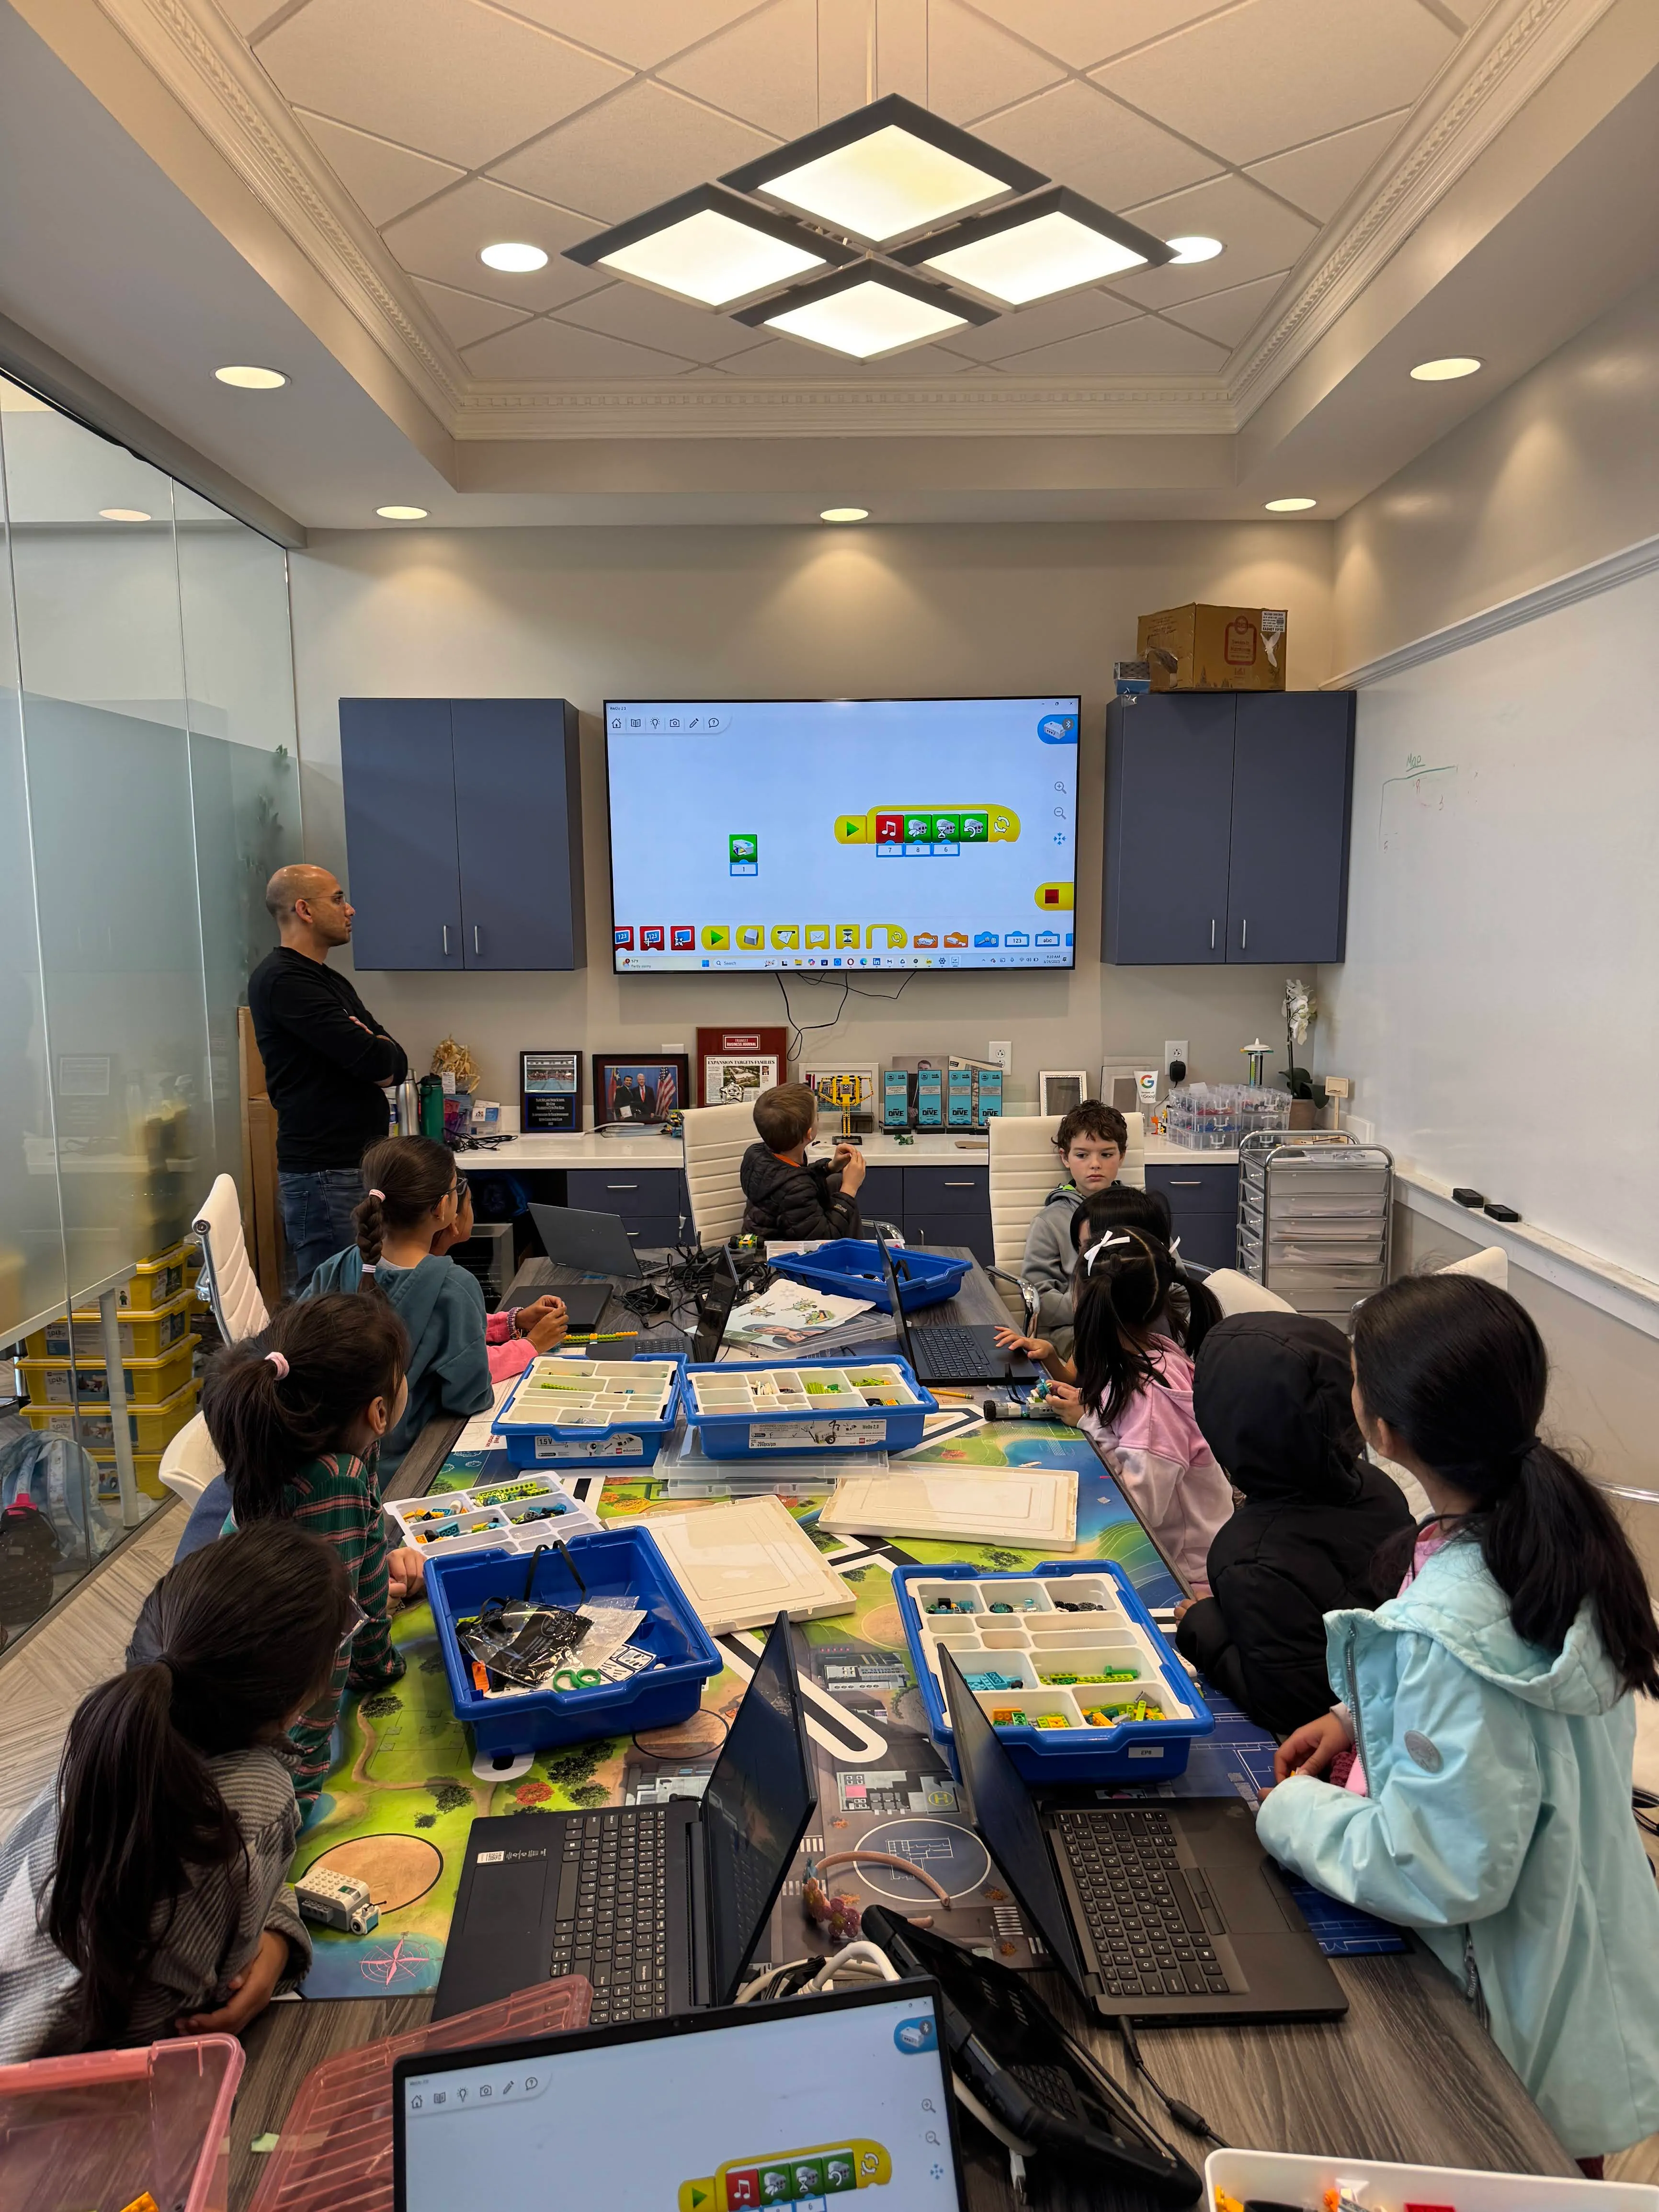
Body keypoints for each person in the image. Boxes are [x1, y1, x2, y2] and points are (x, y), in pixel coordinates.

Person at [1258, 1275, 1659, 2163]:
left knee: (1524, 2168)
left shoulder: (1452, 1613)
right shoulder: (1546, 1534)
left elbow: (1438, 1869)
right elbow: (1504, 1702)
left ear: (1384, 1430)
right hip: (1580, 1953)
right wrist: (1357, 1715)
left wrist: (1290, 1812)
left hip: (1508, 2012)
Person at [0, 1521, 351, 2061]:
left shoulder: (112, 1733)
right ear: (300, 1697)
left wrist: (274, 1932)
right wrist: (277, 1946)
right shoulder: (254, 1795)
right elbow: (205, 2003)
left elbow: (233, 1892)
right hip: (61, 2101)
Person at [199, 1295, 417, 1810]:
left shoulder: (302, 1451)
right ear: (379, 1412)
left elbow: (355, 1584)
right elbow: (330, 1638)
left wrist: (379, 1652)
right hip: (263, 1744)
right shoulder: (335, 1479)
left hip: (233, 1694)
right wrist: (295, 1793)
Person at [1173, 1312, 1413, 1734]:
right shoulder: (1378, 1487)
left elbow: (1286, 1703)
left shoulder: (1249, 1557)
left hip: (1342, 1737)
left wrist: (1205, 1626)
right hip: (1385, 1696)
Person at [1000, 1227, 1228, 1589]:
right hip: (1170, 1553)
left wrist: (1092, 1423)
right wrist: (1090, 1408)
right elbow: (1127, 1427)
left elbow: (1137, 1512)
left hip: (1181, 1576)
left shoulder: (1153, 1399)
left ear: (1084, 1302)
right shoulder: (1149, 1351)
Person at [248, 865, 408, 1282]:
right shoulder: (285, 981)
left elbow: (395, 1063)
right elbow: (377, 1061)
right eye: (337, 899)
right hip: (325, 1175)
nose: (350, 909)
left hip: (350, 1168)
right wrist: (374, 1047)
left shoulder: (328, 980)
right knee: (333, 1309)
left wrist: (375, 1047)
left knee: (361, 1300)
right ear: (304, 909)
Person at [303, 1136, 493, 1470]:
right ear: (441, 1209)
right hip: (404, 1470)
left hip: (324, 1461)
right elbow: (469, 1398)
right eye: (455, 1187)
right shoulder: (454, 1288)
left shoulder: (334, 1268)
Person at [429, 1177, 568, 1379]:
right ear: (446, 1212)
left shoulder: (387, 1271)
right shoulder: (454, 1284)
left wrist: (515, 1322)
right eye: (470, 1202)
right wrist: (532, 1345)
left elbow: (452, 1330)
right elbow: (473, 1370)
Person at [1021, 1102, 1126, 1353]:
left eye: (1107, 1154)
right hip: (1077, 1330)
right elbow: (1039, 1300)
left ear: (1122, 1156)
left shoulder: (1140, 1212)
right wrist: (1100, 1306)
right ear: (1064, 1158)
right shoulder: (1050, 1222)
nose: (1095, 1164)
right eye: (1082, 1155)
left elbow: (1175, 1282)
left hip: (1139, 1326)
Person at [739, 1083, 866, 1241]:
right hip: (777, 1255)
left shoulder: (756, 1153)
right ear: (809, 1134)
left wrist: (829, 1167)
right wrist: (849, 1189)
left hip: (763, 1232)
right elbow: (825, 1238)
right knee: (842, 1185)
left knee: (835, 1180)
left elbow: (793, 1175)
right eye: (817, 1116)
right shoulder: (796, 1191)